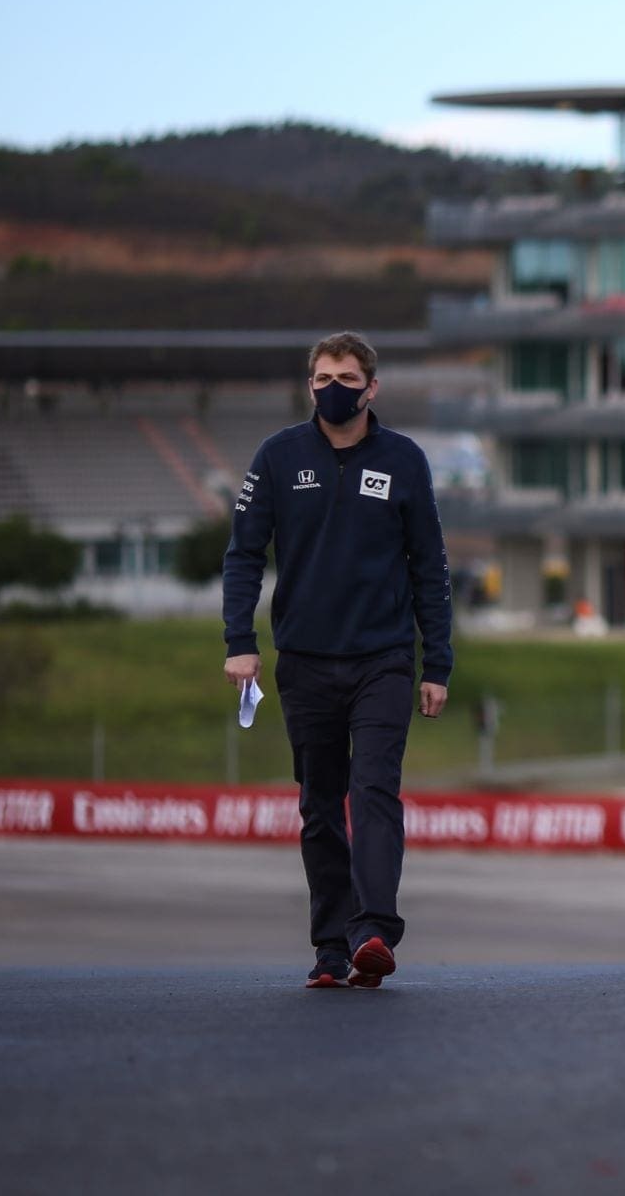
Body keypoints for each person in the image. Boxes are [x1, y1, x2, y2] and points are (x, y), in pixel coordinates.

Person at [222, 331, 453, 990]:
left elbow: (431, 566)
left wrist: (436, 661)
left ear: (371, 387)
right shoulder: (277, 456)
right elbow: (243, 553)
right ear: (309, 385)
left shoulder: (404, 460)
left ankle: (373, 931)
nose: (333, 387)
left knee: (373, 788)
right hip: (304, 661)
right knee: (320, 804)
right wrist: (240, 641)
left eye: (346, 376)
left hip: (382, 658)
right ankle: (331, 948)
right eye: (322, 376)